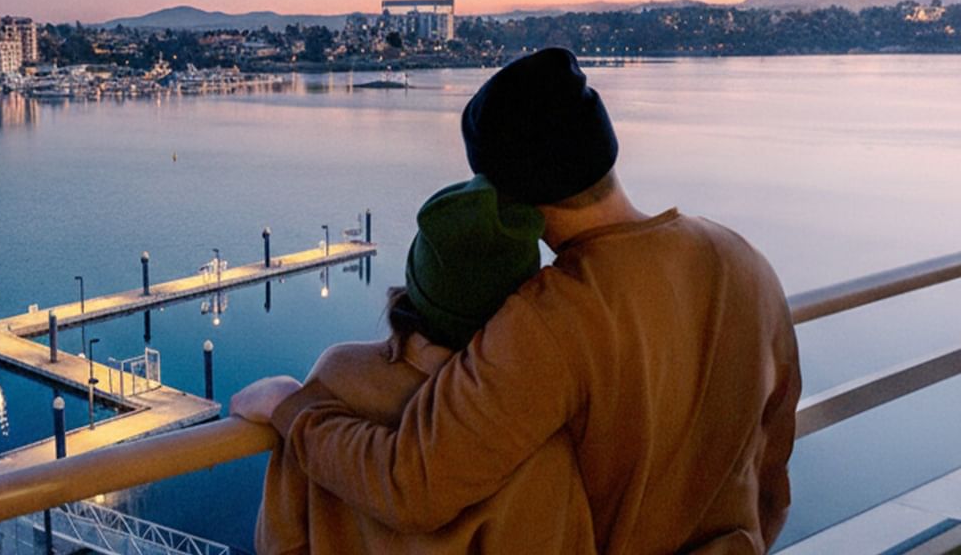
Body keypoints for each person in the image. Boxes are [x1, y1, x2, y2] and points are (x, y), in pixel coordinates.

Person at [232, 48, 802, 554]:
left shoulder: (553, 316)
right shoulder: (744, 260)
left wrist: (291, 409)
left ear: (505, 197)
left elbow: (414, 486)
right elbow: (773, 462)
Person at [255, 175, 595, 553]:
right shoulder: (534, 420)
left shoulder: (337, 375)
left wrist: (284, 403)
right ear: (521, 302)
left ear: (416, 281)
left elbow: (279, 539)